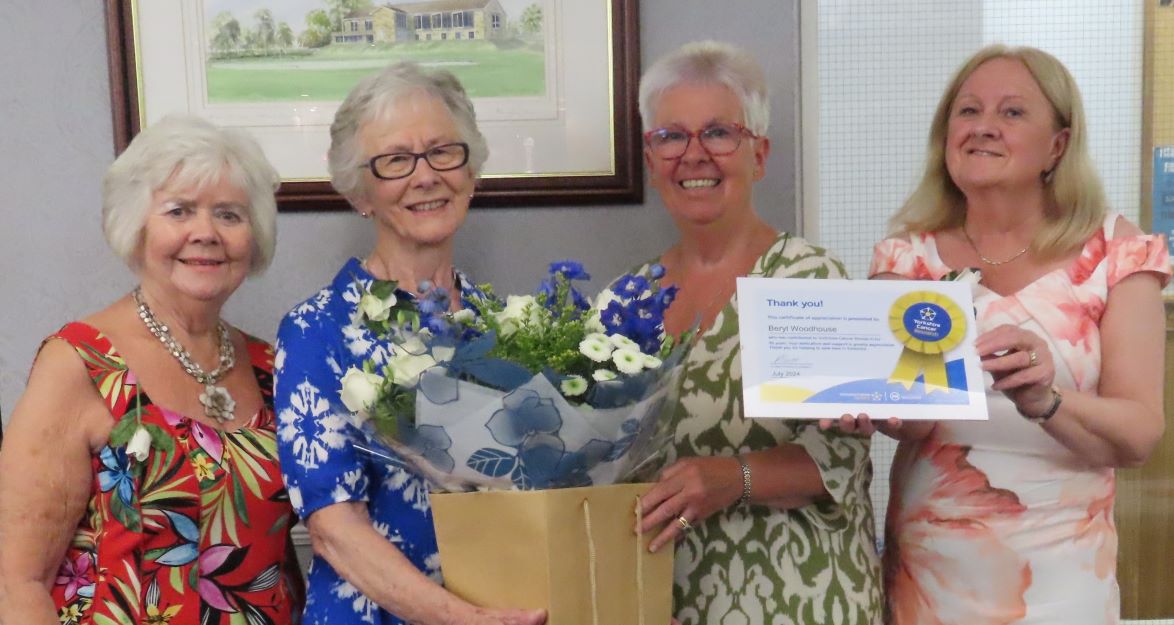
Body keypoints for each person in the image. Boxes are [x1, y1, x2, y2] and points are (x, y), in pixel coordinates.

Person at [846, 45, 1170, 623]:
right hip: (931, 578)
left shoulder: (1118, 253)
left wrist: (1046, 400)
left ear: (1059, 145)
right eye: (967, 112)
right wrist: (867, 405)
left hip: (1064, 581)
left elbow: (1140, 434)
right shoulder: (906, 258)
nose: (983, 128)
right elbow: (916, 420)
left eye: (1012, 112)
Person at [0, 115, 302, 625]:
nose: (205, 233)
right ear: (136, 227)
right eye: (179, 211)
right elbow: (19, 584)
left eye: (228, 215)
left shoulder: (272, 368)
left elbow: (275, 553)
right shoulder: (79, 363)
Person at [274, 62, 546, 625]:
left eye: (444, 151)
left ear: (471, 173)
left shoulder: (512, 327)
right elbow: (333, 529)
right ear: (360, 191)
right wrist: (459, 620)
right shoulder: (317, 330)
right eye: (396, 160)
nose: (426, 176)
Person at [629, 41, 883, 625]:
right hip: (664, 600)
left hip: (800, 596)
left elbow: (840, 460)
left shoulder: (811, 279)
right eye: (670, 136)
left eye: (718, 133)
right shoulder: (628, 300)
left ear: (759, 154)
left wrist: (729, 478)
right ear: (650, 157)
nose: (693, 155)